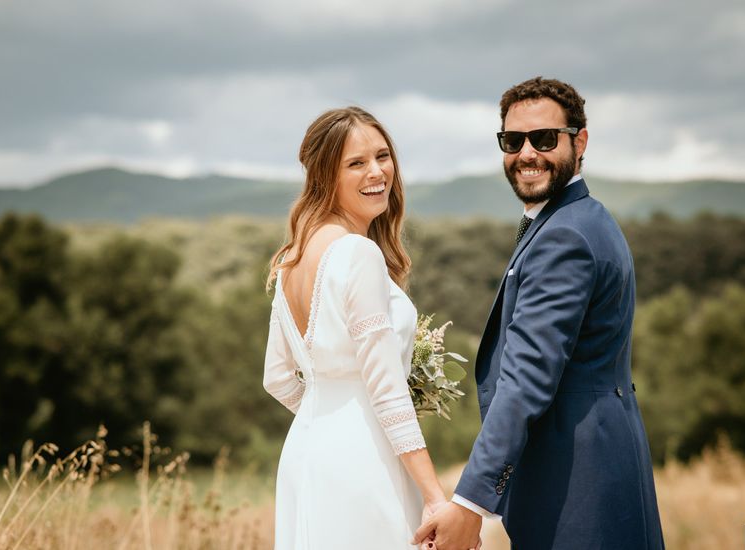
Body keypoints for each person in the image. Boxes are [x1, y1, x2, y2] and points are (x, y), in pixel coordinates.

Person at [414, 77, 665, 549]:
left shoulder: (563, 237)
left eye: (544, 139)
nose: (527, 153)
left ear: (579, 141)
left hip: (577, 479)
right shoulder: (582, 219)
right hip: (600, 464)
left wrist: (470, 504)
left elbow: (526, 378)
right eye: (513, 141)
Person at [263, 106, 457, 550]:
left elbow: (276, 378)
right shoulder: (358, 254)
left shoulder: (292, 257)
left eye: (383, 156)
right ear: (325, 176)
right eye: (356, 163)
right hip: (364, 461)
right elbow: (386, 390)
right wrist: (434, 498)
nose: (377, 172)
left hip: (306, 455)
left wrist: (328, 419)